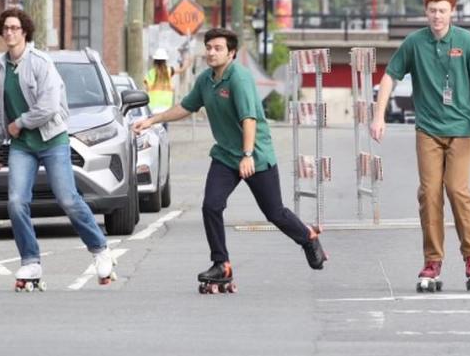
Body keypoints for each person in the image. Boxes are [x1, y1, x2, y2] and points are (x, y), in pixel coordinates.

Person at [132, 27, 326, 292]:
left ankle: (308, 237)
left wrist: (247, 155)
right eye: (209, 47)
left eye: (218, 48)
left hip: (255, 155)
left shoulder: (239, 78)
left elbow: (249, 119)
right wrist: (152, 120)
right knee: (211, 206)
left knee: (274, 212)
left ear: (231, 53)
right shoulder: (205, 80)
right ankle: (221, 264)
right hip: (225, 155)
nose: (211, 52)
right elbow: (185, 107)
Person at [370, 0, 470, 292]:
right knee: (429, 194)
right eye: (432, 11)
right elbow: (390, 77)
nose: (437, 16)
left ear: (452, 12)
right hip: (427, 128)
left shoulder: (464, 41)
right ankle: (433, 260)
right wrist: (378, 115)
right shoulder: (415, 43)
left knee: (457, 190)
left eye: (442, 10)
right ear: (426, 13)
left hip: (462, 127)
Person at [0, 8, 114, 289]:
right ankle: (30, 262)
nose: (9, 32)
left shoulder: (41, 63)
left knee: (67, 198)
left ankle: (100, 250)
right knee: (16, 201)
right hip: (22, 146)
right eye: (6, 28)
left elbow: (49, 105)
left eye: (15, 28)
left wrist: (20, 122)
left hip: (52, 140)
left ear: (25, 32)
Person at [143, 47, 190, 114]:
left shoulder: (150, 74)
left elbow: (146, 89)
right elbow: (182, 69)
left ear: (154, 61)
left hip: (152, 108)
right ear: (165, 61)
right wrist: (186, 61)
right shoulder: (169, 71)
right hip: (166, 107)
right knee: (164, 124)